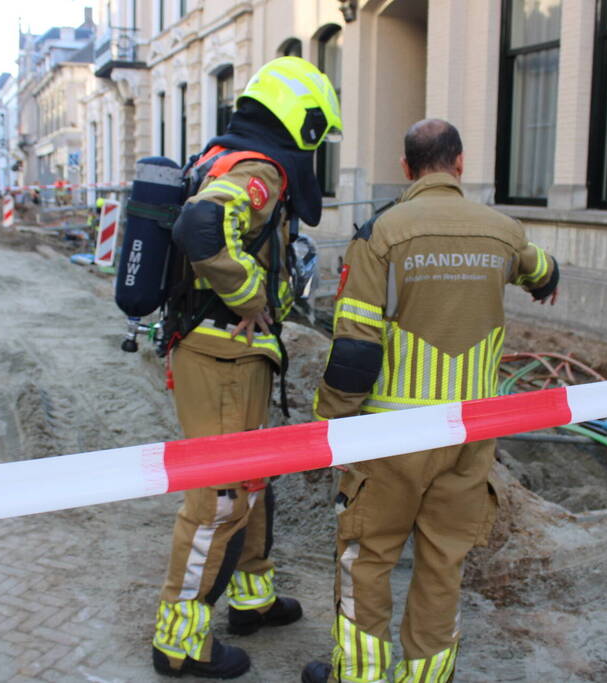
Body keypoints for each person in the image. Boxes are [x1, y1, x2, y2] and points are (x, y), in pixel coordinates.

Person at [302, 119, 560, 683]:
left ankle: (363, 676)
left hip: (391, 442)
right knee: (444, 563)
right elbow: (540, 268)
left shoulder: (382, 234)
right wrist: (548, 278)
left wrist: (330, 424)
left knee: (367, 559)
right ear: (460, 164)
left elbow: (354, 349)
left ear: (406, 169)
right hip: (469, 440)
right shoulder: (504, 232)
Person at [151, 56, 342, 680]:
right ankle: (179, 644)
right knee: (219, 498)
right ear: (301, 122)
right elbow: (202, 224)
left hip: (231, 355)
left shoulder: (221, 156)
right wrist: (248, 296)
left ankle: (251, 599)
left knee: (251, 480)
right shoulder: (258, 169)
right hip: (224, 355)